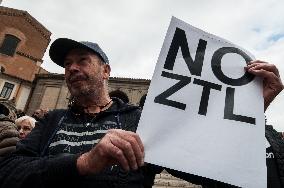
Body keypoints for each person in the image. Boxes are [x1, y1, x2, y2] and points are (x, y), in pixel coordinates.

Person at [0, 38, 282, 188]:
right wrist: (84, 162)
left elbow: (211, 170)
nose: (72, 68)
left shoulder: (141, 121)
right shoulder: (50, 120)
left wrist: (249, 113)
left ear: (106, 71)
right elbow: (8, 173)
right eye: (67, 64)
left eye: (82, 61)